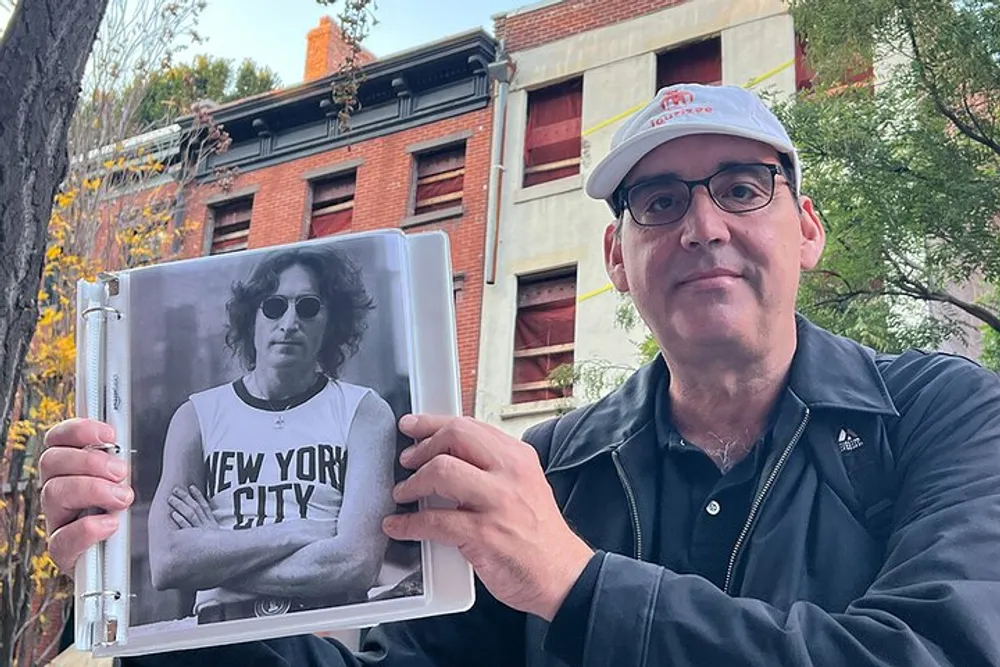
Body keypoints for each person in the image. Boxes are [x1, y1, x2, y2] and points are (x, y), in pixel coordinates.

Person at [41, 83, 1000, 666]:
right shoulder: (549, 467)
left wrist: (577, 586)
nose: (704, 225)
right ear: (619, 260)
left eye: (743, 188)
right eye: (659, 201)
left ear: (807, 229)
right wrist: (126, 602)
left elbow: (935, 655)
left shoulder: (942, 414)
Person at [149, 244, 400, 624]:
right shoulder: (195, 417)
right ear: (252, 319)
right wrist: (294, 533)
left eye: (309, 307)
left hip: (327, 631)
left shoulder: (364, 412)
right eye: (274, 306)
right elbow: (168, 563)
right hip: (219, 635)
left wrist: (214, 553)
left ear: (331, 323)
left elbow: (354, 564)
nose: (289, 322)